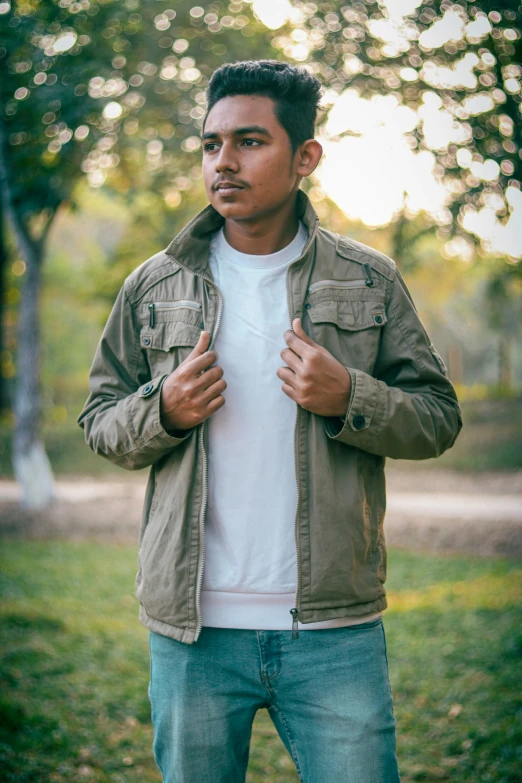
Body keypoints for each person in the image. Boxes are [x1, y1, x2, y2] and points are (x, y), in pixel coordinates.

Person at [77, 59, 462, 783]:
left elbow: (439, 418)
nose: (223, 162)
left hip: (333, 630)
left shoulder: (369, 279)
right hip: (194, 633)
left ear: (305, 157)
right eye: (211, 144)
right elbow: (99, 417)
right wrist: (162, 410)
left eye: (249, 141)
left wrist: (352, 396)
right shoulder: (153, 284)